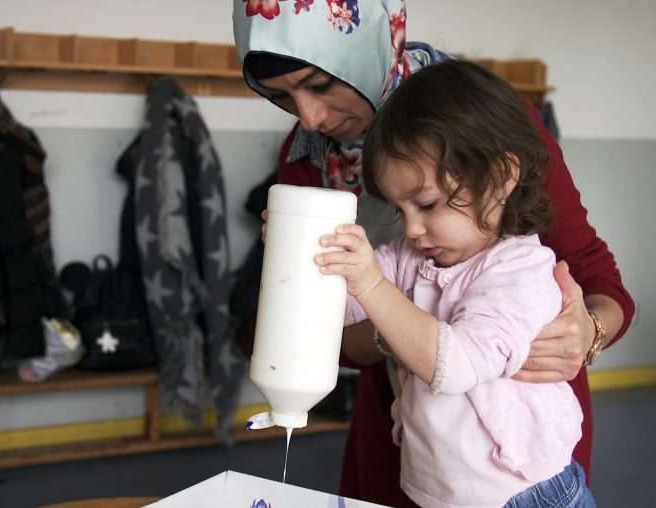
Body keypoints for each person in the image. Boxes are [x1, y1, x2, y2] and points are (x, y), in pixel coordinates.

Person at [233, 1, 635, 506]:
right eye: (282, 97)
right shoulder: (307, 157)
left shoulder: (481, 124)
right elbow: (335, 334)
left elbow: (599, 278)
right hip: (417, 442)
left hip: (516, 458)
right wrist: (302, 264)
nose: (310, 119)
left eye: (318, 84)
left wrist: (587, 330)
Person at [316, 58, 593, 507]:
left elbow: (458, 365)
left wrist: (370, 286)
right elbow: (341, 306)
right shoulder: (417, 256)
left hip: (524, 494)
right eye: (398, 210)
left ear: (501, 177)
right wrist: (307, 249)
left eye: (426, 204)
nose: (410, 229)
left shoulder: (520, 270)